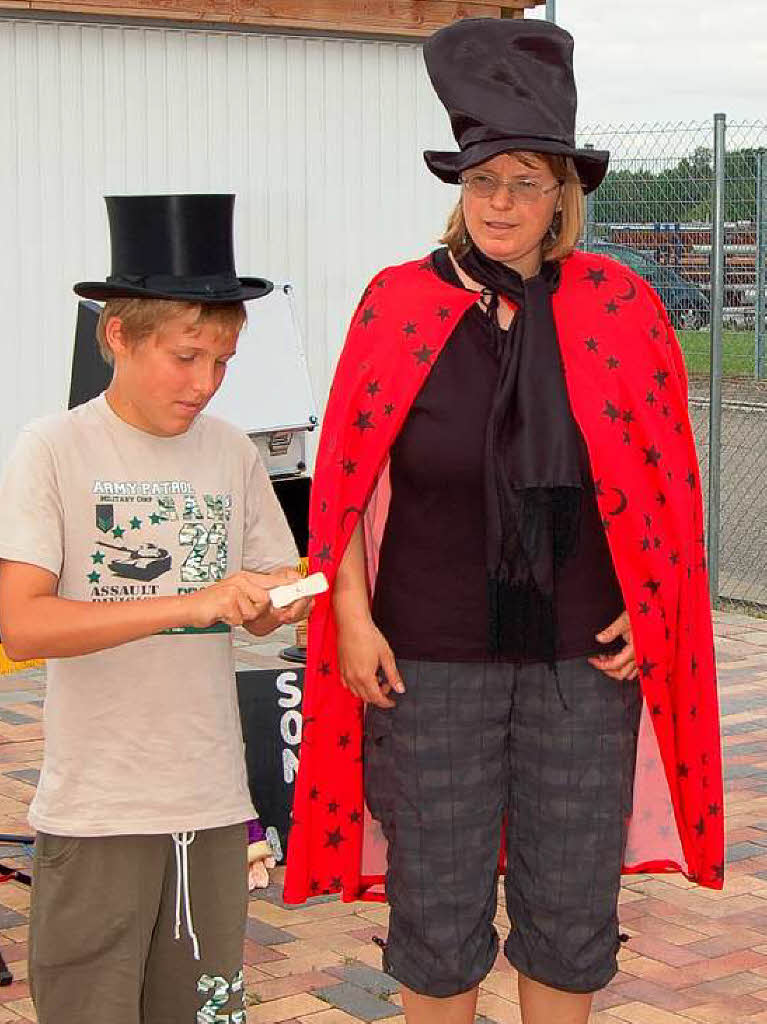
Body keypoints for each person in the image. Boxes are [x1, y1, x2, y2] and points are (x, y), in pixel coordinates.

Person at [284, 19, 725, 1024]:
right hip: (422, 657)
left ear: (562, 193)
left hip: (580, 661)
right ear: (459, 186)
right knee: (434, 917)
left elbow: (667, 488)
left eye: (526, 181)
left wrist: (651, 611)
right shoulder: (396, 304)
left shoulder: (620, 308)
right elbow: (343, 483)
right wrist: (349, 616)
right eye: (483, 179)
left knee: (567, 909)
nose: (500, 202)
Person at [0, 194, 311, 1023]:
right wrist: (196, 600)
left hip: (212, 808)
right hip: (97, 809)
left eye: (223, 361)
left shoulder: (231, 451)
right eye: (185, 357)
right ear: (118, 335)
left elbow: (270, 582)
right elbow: (23, 624)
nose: (205, 383)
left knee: (206, 1014)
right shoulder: (53, 448)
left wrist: (276, 604)